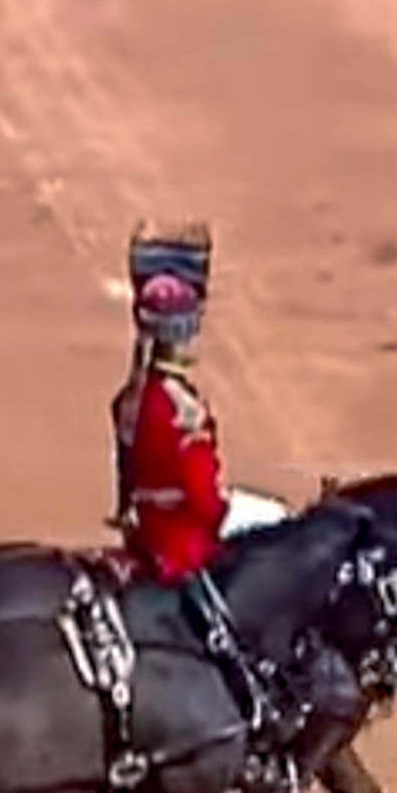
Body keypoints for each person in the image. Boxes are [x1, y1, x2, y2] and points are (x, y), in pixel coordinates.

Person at [113, 227, 235, 586]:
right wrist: (224, 510)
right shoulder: (183, 411)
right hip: (184, 546)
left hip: (146, 534)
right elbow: (205, 502)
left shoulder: (133, 397)